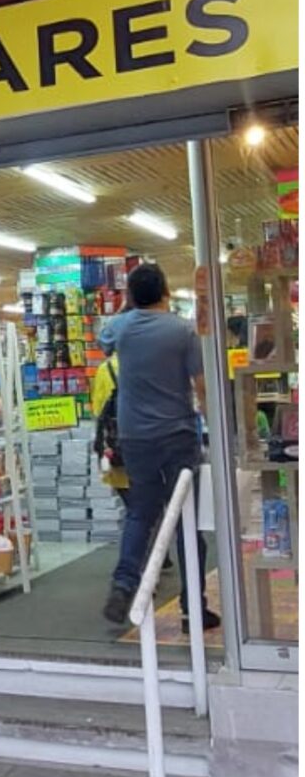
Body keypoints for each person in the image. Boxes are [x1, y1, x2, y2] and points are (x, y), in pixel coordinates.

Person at [100, 263, 216, 628]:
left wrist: (130, 307)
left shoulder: (120, 327)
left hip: (135, 438)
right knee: (186, 522)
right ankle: (193, 607)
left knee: (141, 514)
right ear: (166, 291)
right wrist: (215, 429)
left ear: (132, 296)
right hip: (178, 436)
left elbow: (104, 341)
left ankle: (124, 584)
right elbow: (201, 387)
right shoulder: (183, 331)